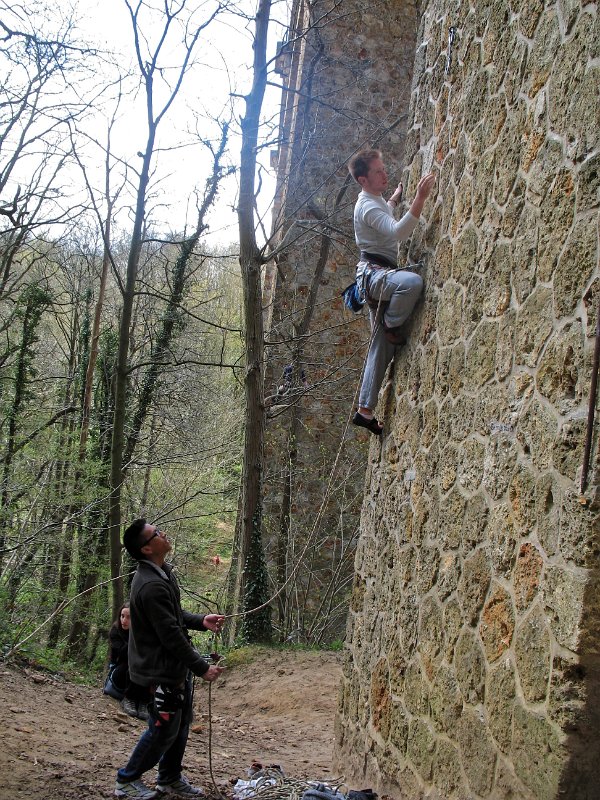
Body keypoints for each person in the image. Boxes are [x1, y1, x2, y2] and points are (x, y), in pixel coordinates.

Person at [114, 519, 225, 800]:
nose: (164, 534)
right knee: (162, 729)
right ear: (148, 548)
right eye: (157, 533)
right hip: (158, 672)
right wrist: (201, 668)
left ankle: (169, 778)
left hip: (173, 669)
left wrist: (201, 620)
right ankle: (126, 780)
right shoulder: (150, 585)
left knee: (181, 724)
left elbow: (173, 617)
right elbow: (170, 636)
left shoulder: (162, 573)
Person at [348, 149, 435, 435]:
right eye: (377, 172)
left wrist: (395, 199)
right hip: (374, 276)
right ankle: (391, 322)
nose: (384, 174)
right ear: (363, 179)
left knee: (380, 346)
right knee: (411, 284)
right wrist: (420, 199)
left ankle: (365, 410)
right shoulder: (368, 207)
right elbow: (396, 232)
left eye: (384, 169)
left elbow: (384, 210)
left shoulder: (374, 201)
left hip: (377, 274)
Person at [107, 602, 150, 720]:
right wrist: (135, 636)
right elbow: (122, 653)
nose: (124, 620)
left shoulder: (145, 633)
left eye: (129, 617)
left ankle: (143, 703)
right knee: (133, 664)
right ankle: (129, 699)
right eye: (122, 616)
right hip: (120, 672)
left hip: (139, 673)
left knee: (147, 666)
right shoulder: (115, 631)